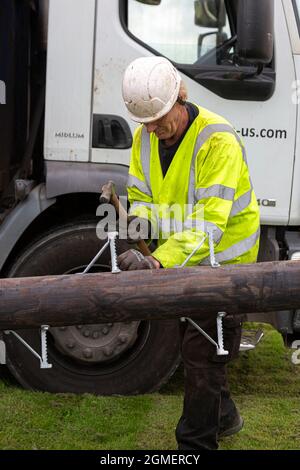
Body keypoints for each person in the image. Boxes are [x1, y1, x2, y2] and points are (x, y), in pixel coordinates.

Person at [117, 56, 260, 450]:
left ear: (181, 97)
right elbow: (142, 196)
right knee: (201, 345)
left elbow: (209, 224)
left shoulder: (217, 140)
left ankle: (195, 446)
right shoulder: (145, 135)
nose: (154, 129)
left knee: (201, 354)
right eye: (146, 122)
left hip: (224, 265)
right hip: (181, 259)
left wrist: (158, 259)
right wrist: (140, 227)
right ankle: (225, 416)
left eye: (160, 117)